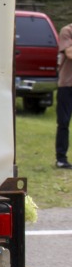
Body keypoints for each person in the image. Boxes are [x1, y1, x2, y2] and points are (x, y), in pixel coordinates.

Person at [56, 23, 72, 168]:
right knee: (64, 122)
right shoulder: (67, 31)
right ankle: (61, 159)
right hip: (67, 85)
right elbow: (69, 53)